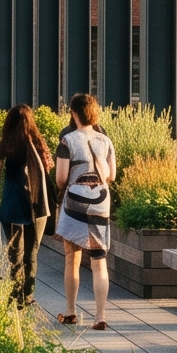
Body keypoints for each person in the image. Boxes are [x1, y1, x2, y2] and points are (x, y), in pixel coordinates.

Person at [52, 92, 117, 329]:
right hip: (101, 199)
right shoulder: (105, 141)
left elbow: (60, 178)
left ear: (74, 112)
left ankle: (71, 312)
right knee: (99, 260)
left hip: (75, 200)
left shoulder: (67, 141)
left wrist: (68, 186)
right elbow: (111, 175)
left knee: (72, 258)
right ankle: (100, 316)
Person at [0, 105, 52, 306]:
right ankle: (27, 295)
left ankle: (16, 294)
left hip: (12, 206)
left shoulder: (6, 144)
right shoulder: (37, 143)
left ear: (8, 123)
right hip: (37, 206)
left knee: (15, 255)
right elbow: (48, 171)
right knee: (31, 254)